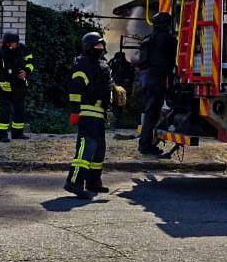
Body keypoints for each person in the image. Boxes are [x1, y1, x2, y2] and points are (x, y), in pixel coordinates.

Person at [64, 32, 123, 199]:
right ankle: (74, 182)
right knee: (86, 148)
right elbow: (75, 90)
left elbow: (104, 86)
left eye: (102, 45)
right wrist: (75, 111)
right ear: (89, 46)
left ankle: (93, 182)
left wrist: (114, 91)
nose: (101, 48)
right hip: (86, 112)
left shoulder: (102, 65)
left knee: (99, 150)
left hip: (99, 113)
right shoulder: (82, 64)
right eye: (97, 45)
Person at [137, 12, 177, 157]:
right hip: (157, 79)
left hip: (144, 79)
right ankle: (145, 146)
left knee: (150, 112)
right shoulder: (168, 39)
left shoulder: (147, 39)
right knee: (152, 113)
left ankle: (146, 143)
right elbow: (172, 63)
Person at [0, 32, 34, 143]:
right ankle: (2, 135)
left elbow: (31, 63)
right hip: (4, 89)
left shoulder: (23, 49)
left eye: (17, 42)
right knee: (3, 112)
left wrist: (26, 71)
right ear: (8, 43)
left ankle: (17, 133)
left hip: (20, 87)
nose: (17, 44)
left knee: (19, 111)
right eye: (15, 42)